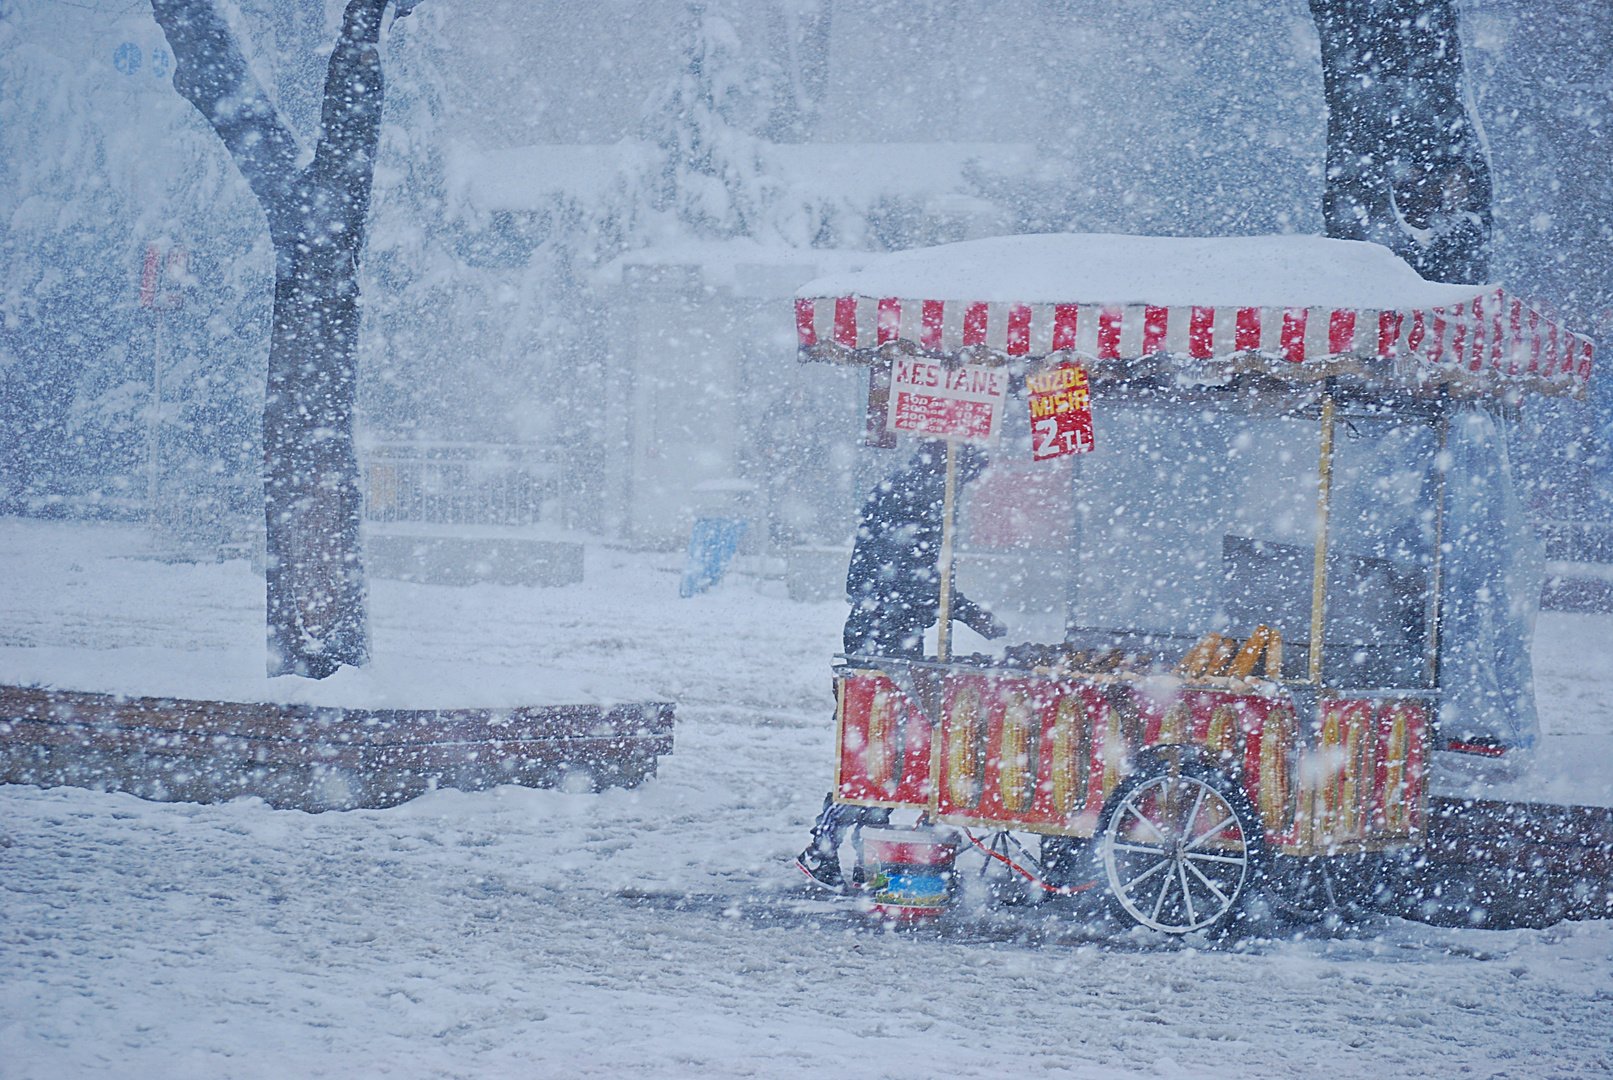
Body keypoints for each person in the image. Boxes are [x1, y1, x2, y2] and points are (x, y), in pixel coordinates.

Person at [797, 441, 1006, 889]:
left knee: (885, 754)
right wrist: (971, 615)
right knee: (875, 752)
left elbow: (905, 579)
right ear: (954, 467)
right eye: (968, 478)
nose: (968, 489)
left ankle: (859, 856)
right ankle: (824, 846)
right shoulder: (918, 498)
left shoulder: (909, 490)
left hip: (886, 632)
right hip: (882, 638)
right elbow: (919, 581)